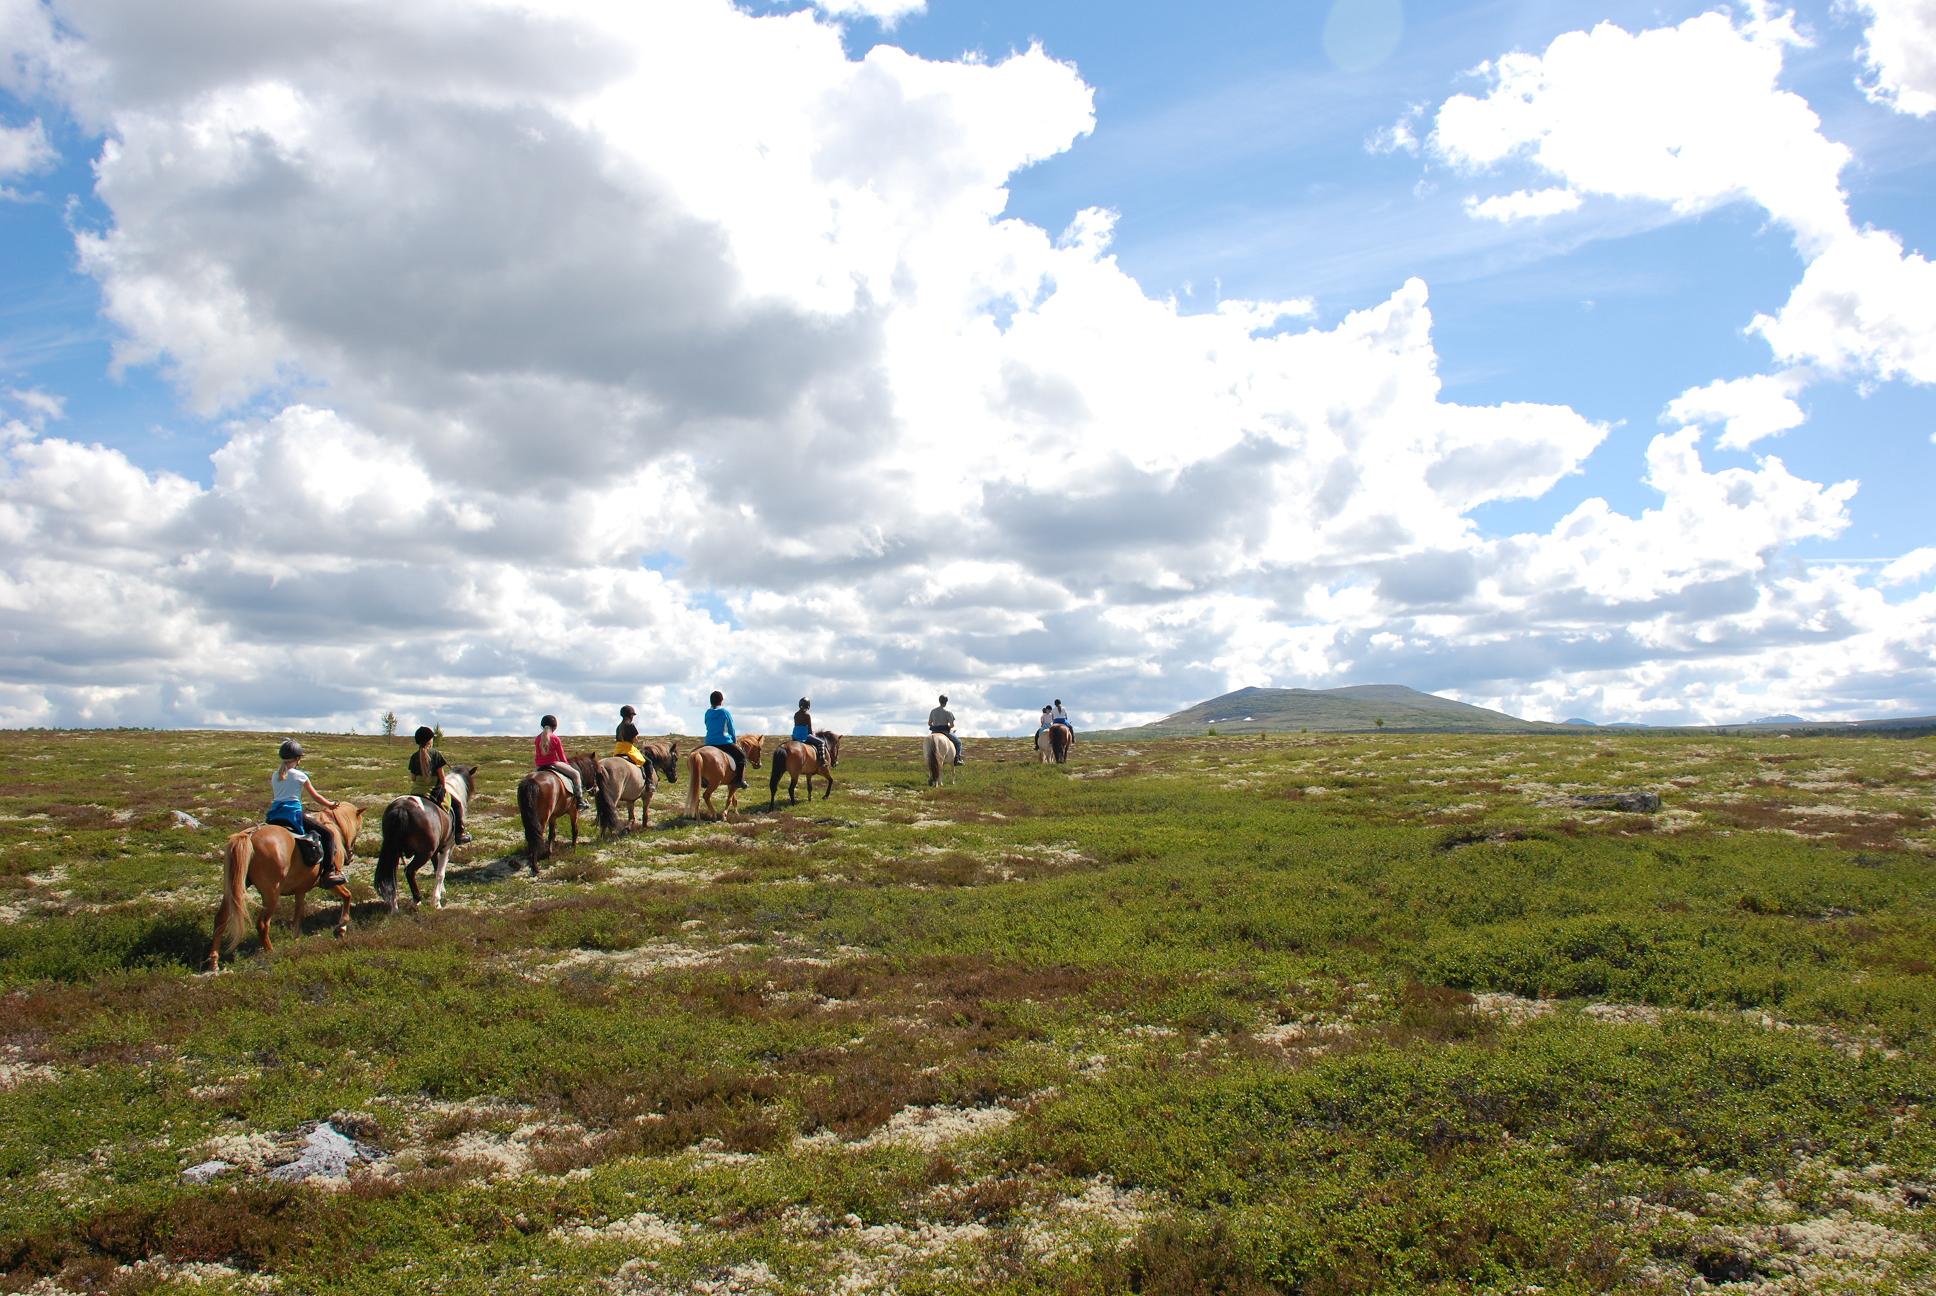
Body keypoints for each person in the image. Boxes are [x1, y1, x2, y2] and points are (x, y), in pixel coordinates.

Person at [267, 739, 345, 887]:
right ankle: (329, 872)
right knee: (329, 835)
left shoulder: (274, 775)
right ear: (297, 759)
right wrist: (331, 804)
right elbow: (316, 797)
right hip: (293, 814)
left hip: (275, 814)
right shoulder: (300, 775)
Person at [408, 726, 469, 844]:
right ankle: (459, 834)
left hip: (416, 790)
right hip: (433, 791)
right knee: (457, 805)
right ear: (429, 740)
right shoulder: (435, 754)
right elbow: (442, 777)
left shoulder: (414, 756)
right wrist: (444, 787)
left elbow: (413, 778)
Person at [534, 715, 591, 810]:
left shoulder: (537, 739)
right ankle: (580, 801)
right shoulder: (555, 738)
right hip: (553, 763)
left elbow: (537, 754)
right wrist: (567, 765)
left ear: (542, 726)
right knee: (576, 774)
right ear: (555, 727)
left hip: (539, 766)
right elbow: (562, 756)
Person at [703, 690, 749, 789]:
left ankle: (703, 779)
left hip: (709, 743)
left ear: (711, 701)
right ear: (721, 701)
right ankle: (739, 781)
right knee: (742, 757)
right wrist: (734, 741)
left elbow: (707, 725)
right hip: (724, 742)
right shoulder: (725, 712)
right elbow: (731, 729)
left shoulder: (707, 713)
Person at [791, 697, 829, 769]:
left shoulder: (796, 714)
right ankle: (822, 761)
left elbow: (798, 725)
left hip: (795, 736)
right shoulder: (807, 715)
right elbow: (809, 729)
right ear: (808, 706)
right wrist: (813, 734)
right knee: (821, 742)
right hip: (804, 736)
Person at [928, 694, 962, 765]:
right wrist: (949, 727)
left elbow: (929, 723)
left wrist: (935, 726)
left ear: (939, 701)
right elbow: (952, 725)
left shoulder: (933, 711)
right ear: (946, 702)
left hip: (934, 732)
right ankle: (957, 759)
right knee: (958, 743)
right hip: (945, 732)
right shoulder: (948, 712)